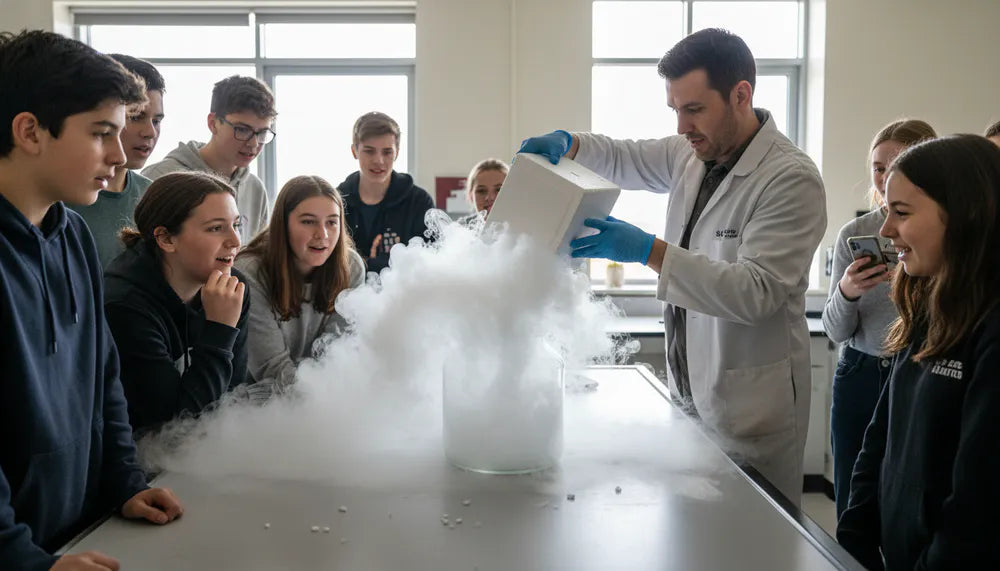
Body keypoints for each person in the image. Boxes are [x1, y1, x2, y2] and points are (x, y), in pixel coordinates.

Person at [518, 28, 826, 505]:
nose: (683, 126)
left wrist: (648, 251)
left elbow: (756, 291)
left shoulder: (790, 179)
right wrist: (571, 142)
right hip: (692, 397)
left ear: (741, 95)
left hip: (752, 412)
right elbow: (624, 156)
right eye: (676, 110)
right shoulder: (693, 153)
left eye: (695, 109)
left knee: (755, 540)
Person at [0, 30, 183, 570]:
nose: (121, 154)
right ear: (30, 130)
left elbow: (103, 374)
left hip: (77, 532)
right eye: (102, 133)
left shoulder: (74, 233)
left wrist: (124, 482)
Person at [837, 135, 1000, 570]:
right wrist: (855, 535)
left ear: (965, 215)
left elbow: (977, 501)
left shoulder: (990, 328)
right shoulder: (931, 305)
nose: (886, 231)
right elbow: (881, 436)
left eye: (902, 213)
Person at [821, 119, 935, 518]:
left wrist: (910, 282)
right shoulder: (856, 233)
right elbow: (835, 331)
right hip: (860, 373)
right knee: (853, 495)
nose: (885, 177)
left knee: (909, 496)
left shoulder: (941, 235)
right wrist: (848, 291)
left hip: (918, 371)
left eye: (896, 164)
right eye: (878, 167)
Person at [104, 171, 253, 434]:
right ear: (166, 238)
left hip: (205, 451)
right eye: (216, 228)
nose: (235, 241)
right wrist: (219, 331)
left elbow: (233, 396)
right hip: (140, 458)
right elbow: (174, 427)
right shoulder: (124, 306)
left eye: (236, 225)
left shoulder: (231, 288)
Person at [235, 175, 364, 391]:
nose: (322, 234)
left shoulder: (351, 267)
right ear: (282, 225)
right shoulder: (249, 273)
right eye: (308, 221)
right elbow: (272, 369)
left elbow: (335, 354)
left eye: (332, 222)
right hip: (252, 403)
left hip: (318, 396)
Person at [143, 75, 274, 243]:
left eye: (262, 133)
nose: (254, 144)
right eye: (242, 130)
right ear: (213, 123)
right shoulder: (159, 177)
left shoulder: (255, 189)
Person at [68, 54, 166, 269]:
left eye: (157, 121)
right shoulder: (63, 198)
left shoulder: (152, 195)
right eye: (136, 116)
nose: (150, 132)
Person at [338, 111, 434, 273]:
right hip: (344, 295)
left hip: (403, 296)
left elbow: (430, 262)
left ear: (397, 152)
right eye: (369, 151)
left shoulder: (419, 202)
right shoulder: (337, 201)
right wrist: (380, 263)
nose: (379, 161)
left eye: (387, 152)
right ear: (355, 151)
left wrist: (366, 264)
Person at [459, 158, 508, 225]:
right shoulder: (459, 230)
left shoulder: (525, 227)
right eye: (481, 191)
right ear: (470, 196)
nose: (490, 197)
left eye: (499, 189)